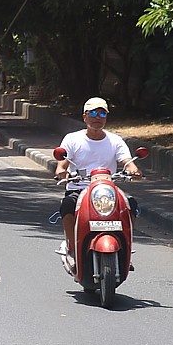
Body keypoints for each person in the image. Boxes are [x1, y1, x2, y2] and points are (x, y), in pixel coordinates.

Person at [54, 97, 142, 272]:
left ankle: (125, 248)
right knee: (67, 205)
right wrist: (61, 172)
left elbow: (126, 161)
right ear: (85, 117)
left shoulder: (115, 140)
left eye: (102, 113)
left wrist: (133, 169)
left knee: (131, 204)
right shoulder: (72, 139)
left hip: (106, 190)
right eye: (93, 113)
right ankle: (72, 247)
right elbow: (62, 164)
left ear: (106, 117)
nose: (97, 117)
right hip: (79, 189)